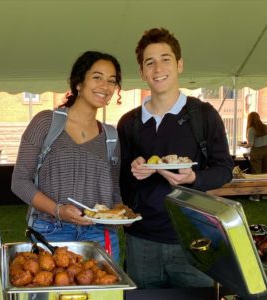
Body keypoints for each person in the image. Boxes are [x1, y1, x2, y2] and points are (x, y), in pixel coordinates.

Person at [117, 27, 234, 288]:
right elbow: (121, 176)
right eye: (150, 62)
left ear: (179, 64)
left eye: (165, 59)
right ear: (142, 72)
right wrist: (133, 169)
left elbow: (224, 168)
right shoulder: (129, 123)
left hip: (195, 239)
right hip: (142, 241)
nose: (158, 68)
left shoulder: (203, 116)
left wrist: (194, 177)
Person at [12, 51, 122, 262]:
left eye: (112, 81)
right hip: (51, 232)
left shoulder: (111, 136)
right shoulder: (45, 122)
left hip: (99, 234)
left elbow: (113, 190)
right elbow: (19, 182)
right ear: (79, 83)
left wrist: (121, 213)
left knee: (104, 294)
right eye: (97, 77)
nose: (105, 86)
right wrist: (58, 210)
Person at [239, 111, 267, 201]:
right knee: (265, 174)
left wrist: (241, 145)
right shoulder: (265, 127)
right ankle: (265, 195)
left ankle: (256, 196)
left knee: (257, 175)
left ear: (250, 119)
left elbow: (250, 144)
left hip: (257, 152)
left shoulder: (251, 129)